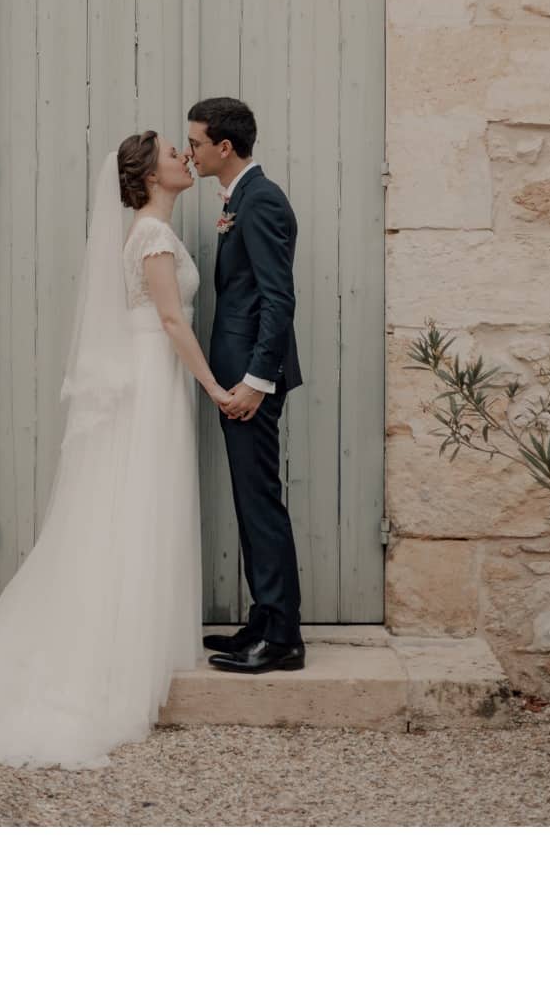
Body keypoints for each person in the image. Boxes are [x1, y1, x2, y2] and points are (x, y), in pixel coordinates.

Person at [0, 131, 231, 770]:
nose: (184, 157)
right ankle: (118, 648)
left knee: (134, 501)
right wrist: (214, 387)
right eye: (172, 154)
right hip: (152, 376)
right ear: (150, 176)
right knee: (138, 499)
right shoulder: (152, 235)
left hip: (153, 373)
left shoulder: (150, 232)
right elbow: (172, 320)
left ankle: (133, 634)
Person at [187, 97, 306, 674]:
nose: (191, 153)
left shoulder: (261, 201)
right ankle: (264, 620)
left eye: (196, 143)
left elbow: (278, 299)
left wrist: (257, 380)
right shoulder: (242, 198)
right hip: (241, 376)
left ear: (224, 146)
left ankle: (282, 636)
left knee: (260, 503)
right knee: (249, 499)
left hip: (251, 381)